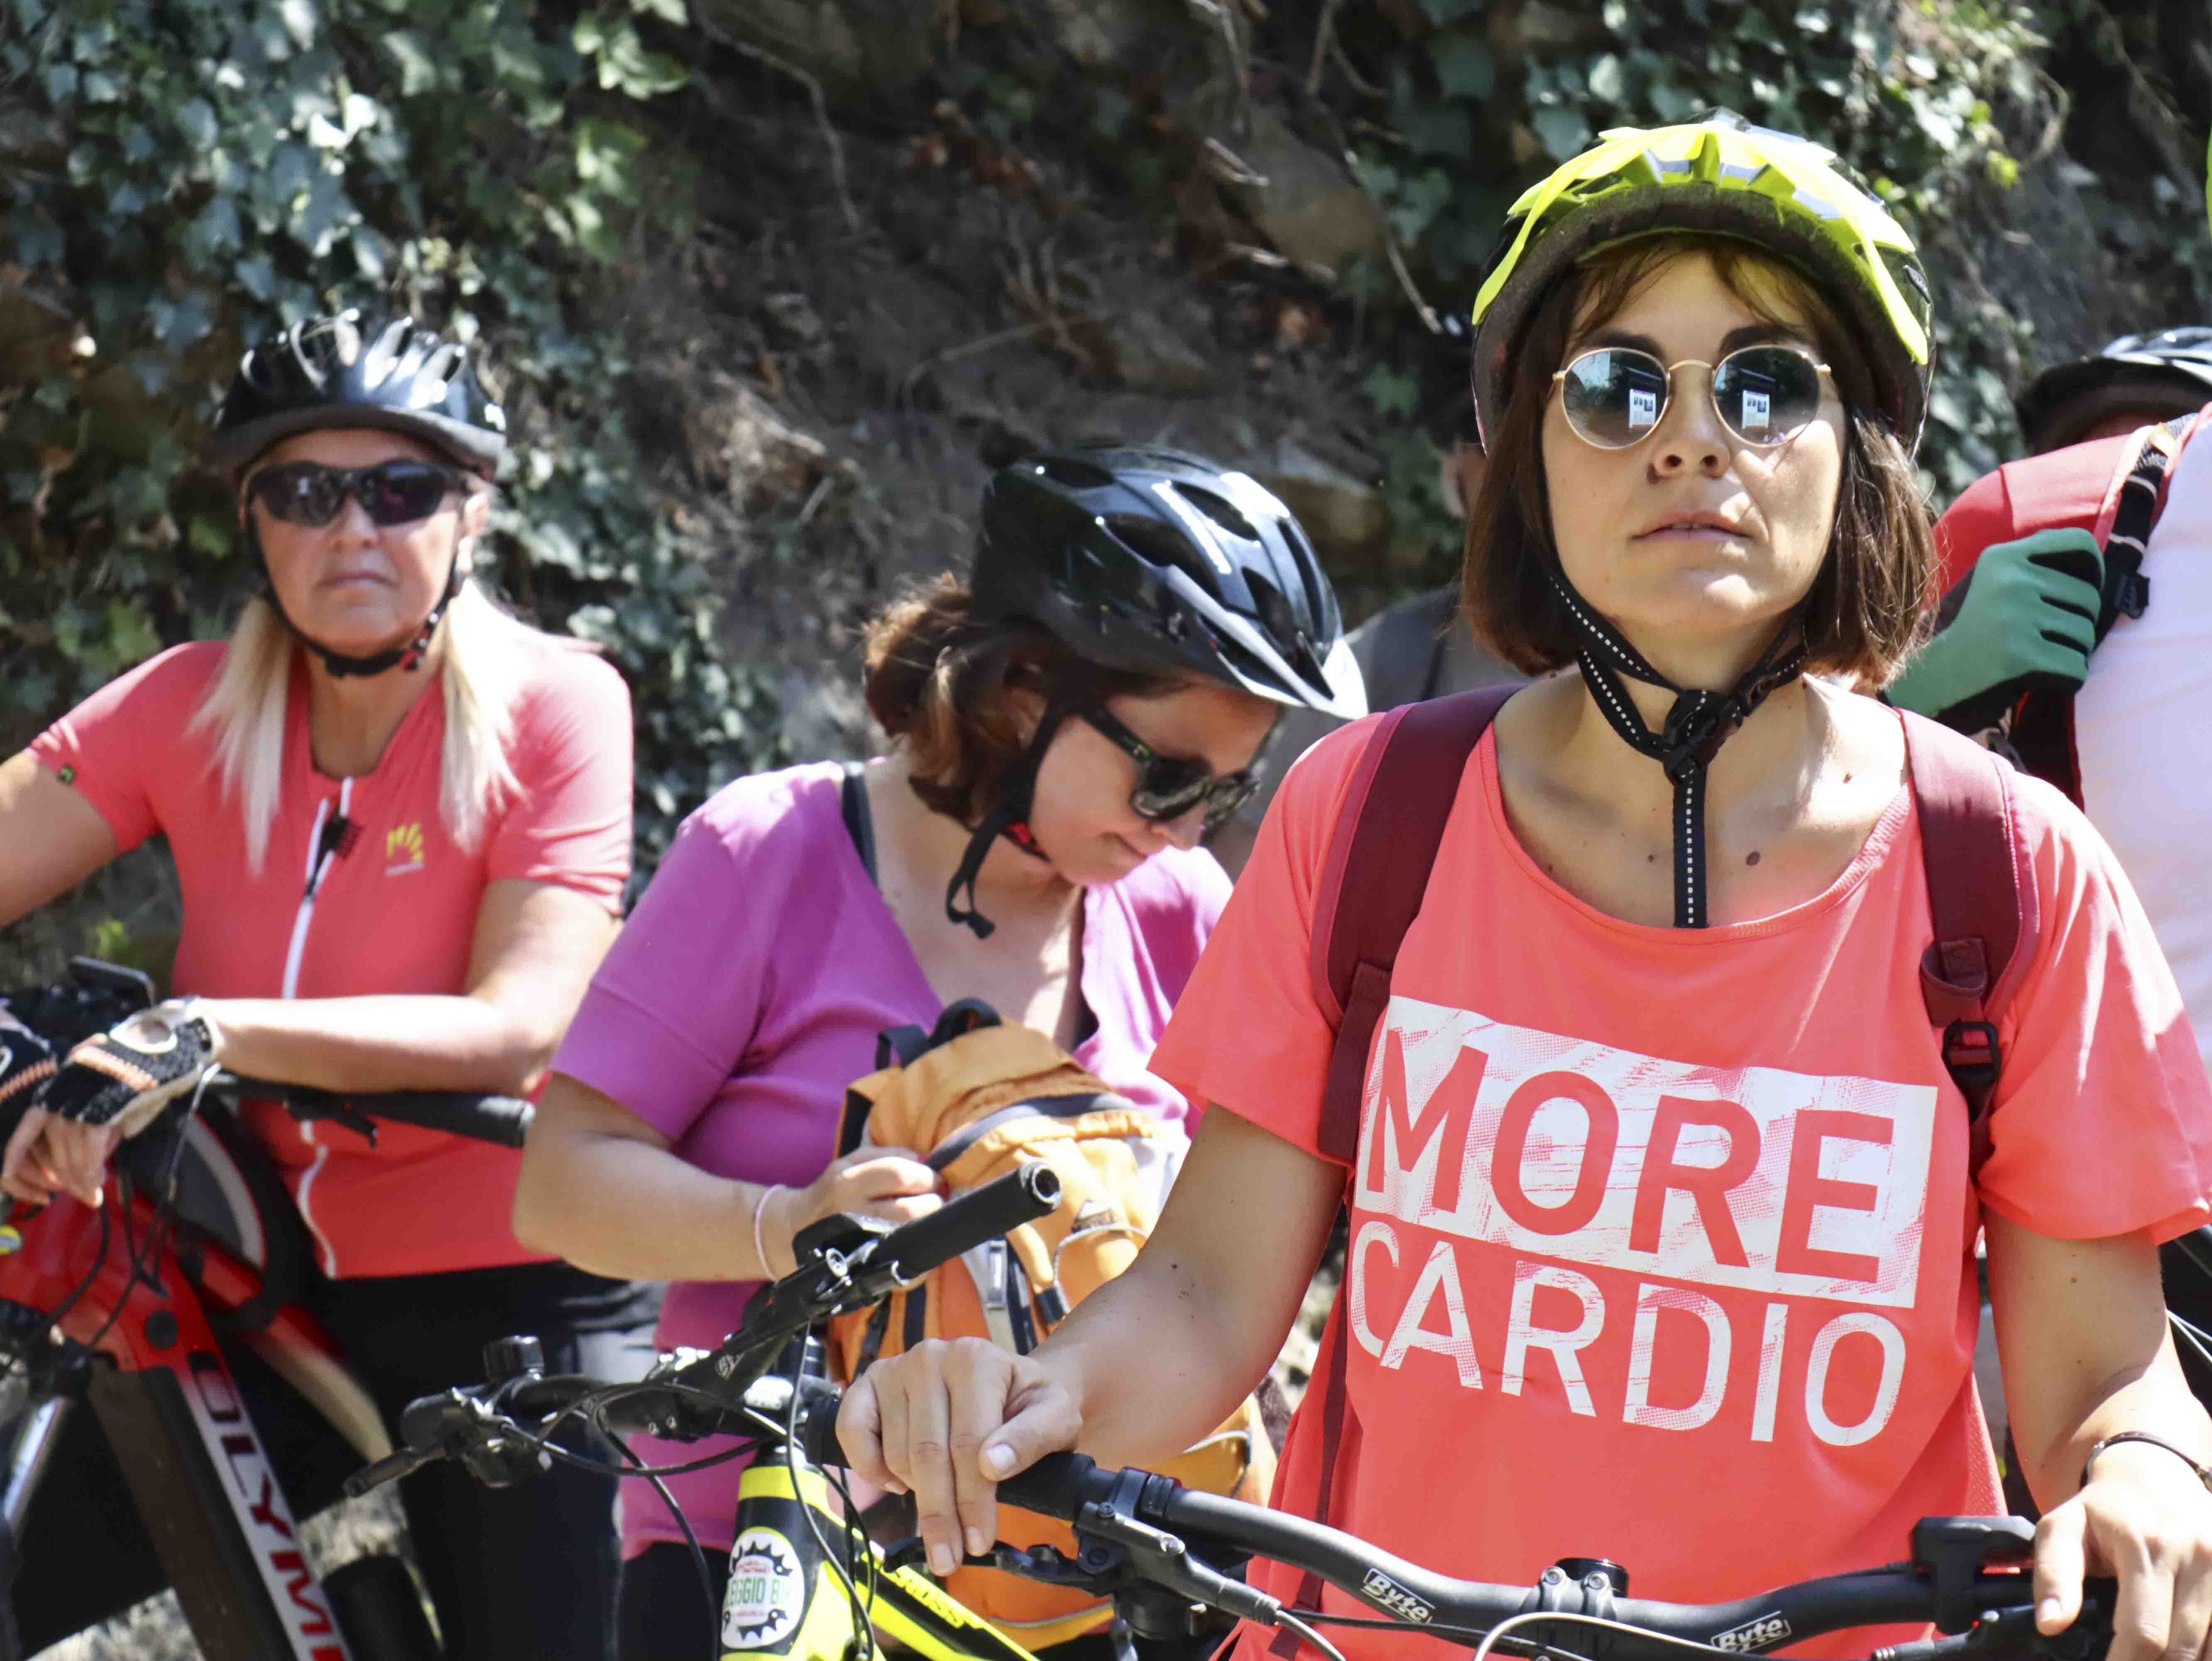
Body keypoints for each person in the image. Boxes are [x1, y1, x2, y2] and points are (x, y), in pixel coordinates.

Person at [838, 116, 2212, 1661]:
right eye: (1615, 387)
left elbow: (2103, 1375)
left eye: (1765, 385)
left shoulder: (2009, 872)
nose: (1689, 442)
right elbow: (1203, 1301)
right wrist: (1019, 1391)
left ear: (1862, 458)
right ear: (1524, 463)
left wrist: (2146, 1471)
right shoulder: (1369, 813)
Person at [510, 444, 1363, 1656]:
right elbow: (560, 1183)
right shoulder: (766, 855)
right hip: (765, 1566)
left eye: (1222, 795)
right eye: (1167, 776)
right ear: (1020, 689)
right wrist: (784, 1225)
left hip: (1090, 1580)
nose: (1182, 832)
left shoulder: (1180, 908)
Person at [0, 309, 647, 1659]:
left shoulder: (557, 705)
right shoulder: (186, 708)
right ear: (253, 521)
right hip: (254, 1283)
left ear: (468, 515)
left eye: (400, 490)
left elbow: (516, 1027)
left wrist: (200, 1030)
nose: (353, 529)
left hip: (514, 1291)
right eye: (304, 492)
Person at [1214, 333, 1520, 877]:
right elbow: (1241, 878)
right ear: (1454, 465)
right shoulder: (1386, 665)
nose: (1527, 485)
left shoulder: (1674, 681)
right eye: (1498, 446)